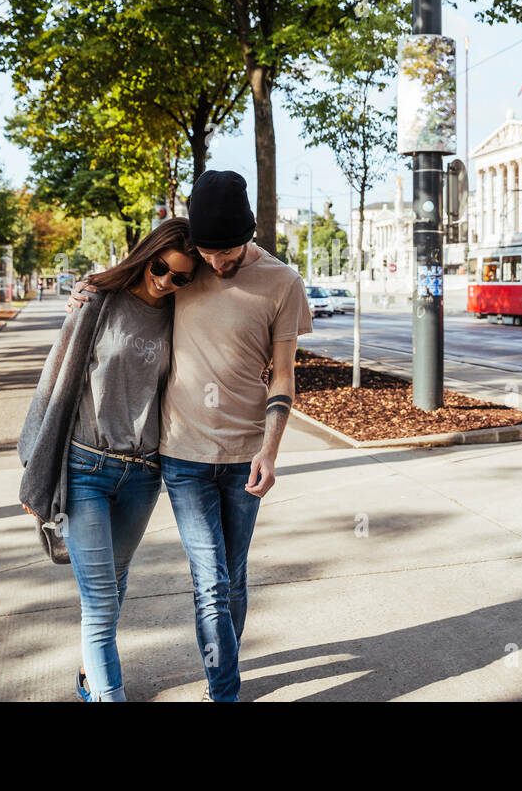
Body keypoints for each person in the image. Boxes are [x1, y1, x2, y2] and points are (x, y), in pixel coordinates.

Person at [68, 170, 312, 702]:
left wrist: (270, 453)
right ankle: (223, 693)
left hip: (247, 453)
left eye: (228, 250)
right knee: (211, 584)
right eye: (208, 250)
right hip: (181, 456)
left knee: (235, 581)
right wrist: (88, 288)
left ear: (249, 234)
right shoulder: (183, 271)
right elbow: (133, 291)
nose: (217, 263)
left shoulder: (283, 282)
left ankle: (218, 676)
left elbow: (286, 375)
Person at [18, 218, 199, 702]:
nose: (164, 281)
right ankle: (107, 694)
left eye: (179, 276)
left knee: (114, 584)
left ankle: (87, 673)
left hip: (143, 474)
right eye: (160, 268)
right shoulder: (97, 300)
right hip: (84, 469)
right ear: (147, 254)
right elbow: (55, 379)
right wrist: (37, 469)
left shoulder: (183, 313)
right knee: (99, 602)